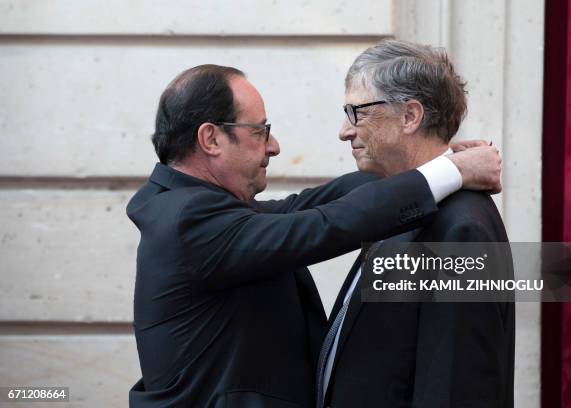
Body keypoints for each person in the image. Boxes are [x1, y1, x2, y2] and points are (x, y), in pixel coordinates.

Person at [126, 64, 502, 407]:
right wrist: (450, 172)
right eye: (260, 131)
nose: (274, 146)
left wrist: (439, 162)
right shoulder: (188, 219)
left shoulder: (196, 208)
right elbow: (328, 223)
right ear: (211, 139)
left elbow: (316, 204)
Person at [319, 40, 514, 408]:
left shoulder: (461, 230)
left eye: (356, 112)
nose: (345, 131)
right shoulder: (401, 206)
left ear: (410, 116)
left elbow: (456, 388)